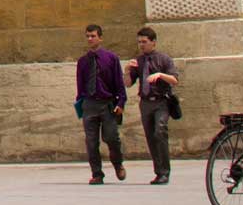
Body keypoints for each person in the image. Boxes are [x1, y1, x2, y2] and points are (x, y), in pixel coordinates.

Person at [125, 26, 180, 184]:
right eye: (139, 42)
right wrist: (127, 70)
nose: (141, 45)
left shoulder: (163, 59)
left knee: (160, 131)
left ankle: (165, 172)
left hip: (161, 101)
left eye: (144, 42)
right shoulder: (139, 61)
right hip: (145, 102)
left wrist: (160, 75)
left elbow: (175, 80)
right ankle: (158, 172)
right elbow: (128, 84)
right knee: (150, 137)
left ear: (153, 42)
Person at [74, 23, 126, 183]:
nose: (90, 39)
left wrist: (121, 102)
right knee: (91, 141)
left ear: (100, 38)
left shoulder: (111, 58)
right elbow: (80, 84)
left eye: (93, 36)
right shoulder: (83, 61)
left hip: (107, 104)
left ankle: (118, 164)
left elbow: (119, 83)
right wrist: (80, 103)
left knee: (111, 137)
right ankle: (97, 173)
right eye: (87, 36)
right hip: (89, 104)